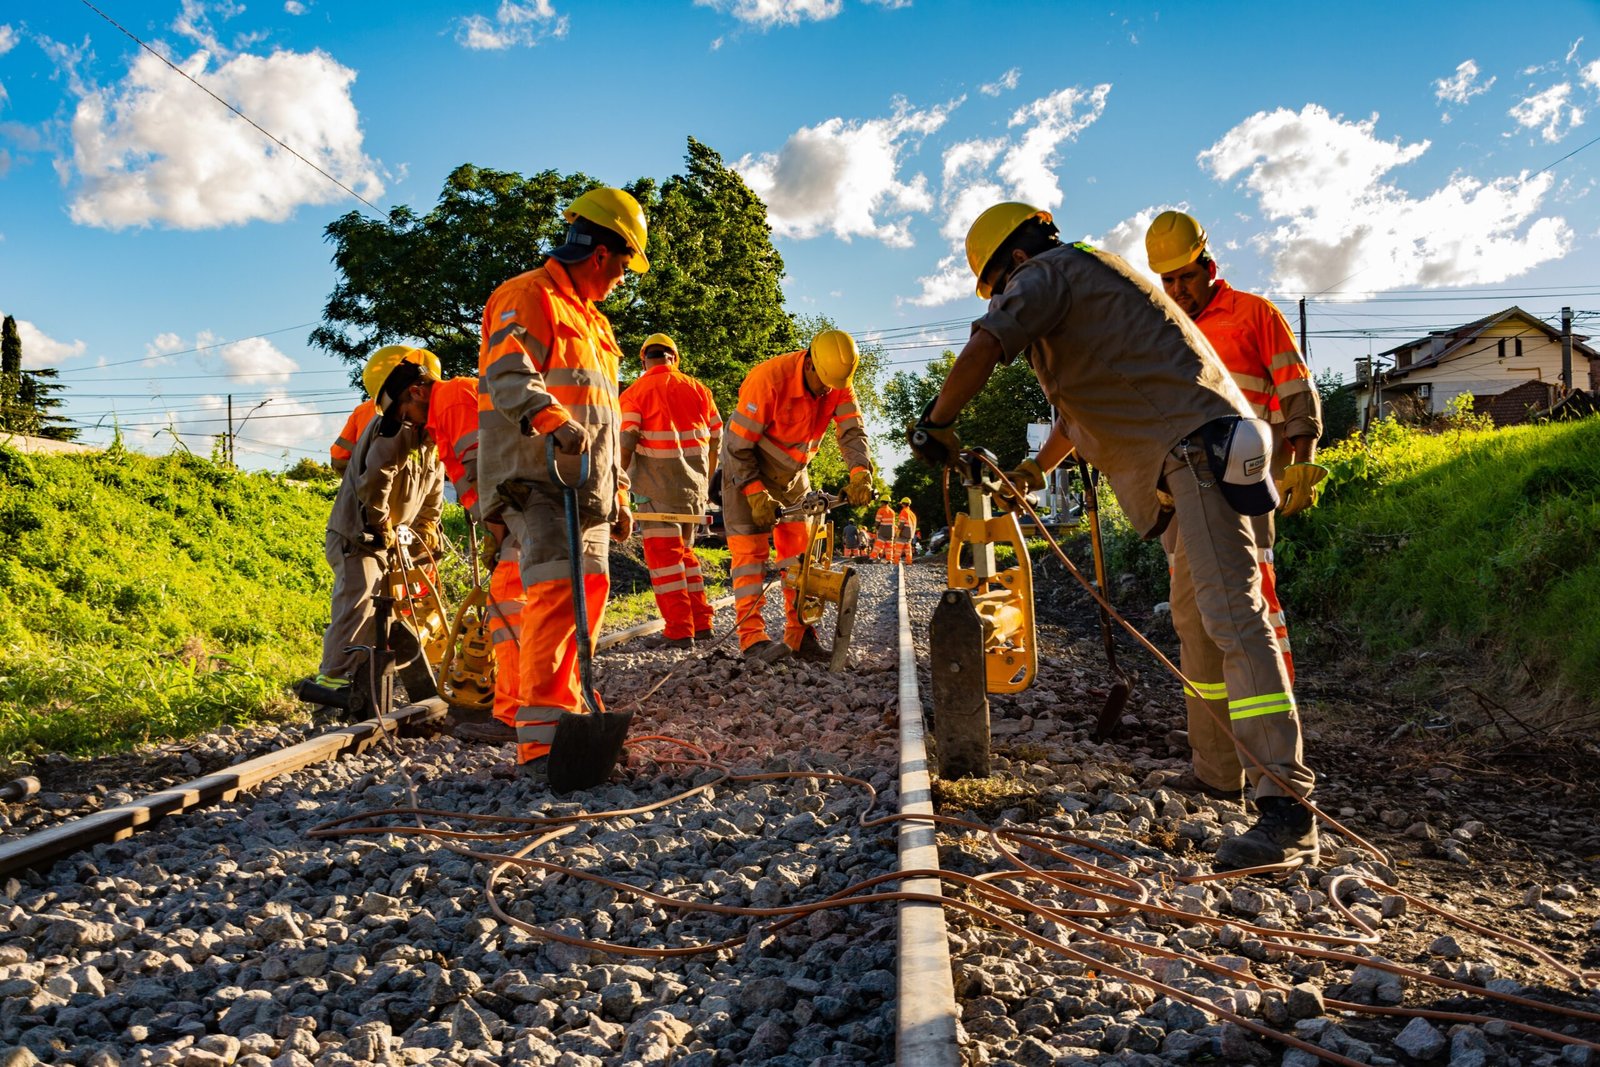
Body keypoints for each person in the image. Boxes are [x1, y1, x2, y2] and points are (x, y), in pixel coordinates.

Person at [910, 201, 1317, 870]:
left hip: (1199, 456)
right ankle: (1218, 776)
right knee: (1197, 624)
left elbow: (986, 343)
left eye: (999, 285)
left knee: (1235, 620)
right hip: (1200, 457)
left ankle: (1288, 809)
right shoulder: (1090, 285)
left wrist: (936, 422)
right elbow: (1078, 414)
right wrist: (1033, 471)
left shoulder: (1049, 273)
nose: (1005, 296)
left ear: (1015, 259)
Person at [477, 187, 643, 781]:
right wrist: (550, 420)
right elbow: (508, 368)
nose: (623, 280)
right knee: (552, 594)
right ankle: (542, 743)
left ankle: (572, 712)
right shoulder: (527, 295)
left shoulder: (596, 324)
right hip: (538, 475)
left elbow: (605, 414)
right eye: (624, 267)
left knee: (588, 594)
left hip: (589, 485)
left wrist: (620, 490)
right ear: (600, 254)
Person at [1146, 211, 1322, 686]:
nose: (1178, 289)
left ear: (1210, 267)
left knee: (1253, 596)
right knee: (1195, 606)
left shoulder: (1253, 314)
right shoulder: (1158, 330)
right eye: (1167, 279)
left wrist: (1303, 463)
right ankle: (1220, 717)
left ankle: (1274, 700)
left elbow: (1297, 393)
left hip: (1244, 483)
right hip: (1181, 491)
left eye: (1186, 276)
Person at [298, 345, 445, 711]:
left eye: (397, 405)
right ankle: (331, 687)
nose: (395, 412)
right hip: (357, 536)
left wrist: (427, 528)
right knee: (357, 603)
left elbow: (433, 495)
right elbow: (375, 481)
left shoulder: (431, 439)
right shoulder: (394, 427)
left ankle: (368, 690)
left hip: (388, 542)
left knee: (386, 614)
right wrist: (381, 524)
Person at [723, 330, 876, 664]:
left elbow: (851, 431)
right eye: (822, 383)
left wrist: (860, 472)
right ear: (809, 362)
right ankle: (753, 641)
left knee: (800, 556)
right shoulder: (768, 380)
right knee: (750, 555)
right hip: (748, 464)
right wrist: (754, 494)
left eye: (833, 386)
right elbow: (738, 448)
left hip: (793, 473)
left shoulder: (837, 382)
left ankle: (801, 636)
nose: (826, 391)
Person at [619, 332, 722, 648]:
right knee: (686, 557)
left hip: (655, 490)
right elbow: (717, 438)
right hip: (693, 490)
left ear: (644, 360)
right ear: (674, 358)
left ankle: (679, 631)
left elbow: (626, 442)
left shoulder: (635, 393)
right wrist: (705, 479)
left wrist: (618, 483)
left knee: (666, 562)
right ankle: (701, 623)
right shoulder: (699, 390)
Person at [893, 497, 918, 564]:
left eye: (902, 504)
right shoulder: (912, 514)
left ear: (903, 504)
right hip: (911, 534)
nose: (901, 505)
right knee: (908, 548)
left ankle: (896, 561)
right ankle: (909, 561)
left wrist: (898, 532)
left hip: (904, 533)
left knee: (898, 547)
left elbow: (901, 524)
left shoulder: (904, 511)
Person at [872, 498, 896, 563]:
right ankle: (889, 560)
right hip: (891, 531)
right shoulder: (892, 511)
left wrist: (876, 527)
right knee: (889, 546)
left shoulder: (881, 510)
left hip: (883, 530)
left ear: (882, 502)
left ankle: (872, 557)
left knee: (878, 544)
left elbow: (877, 521)